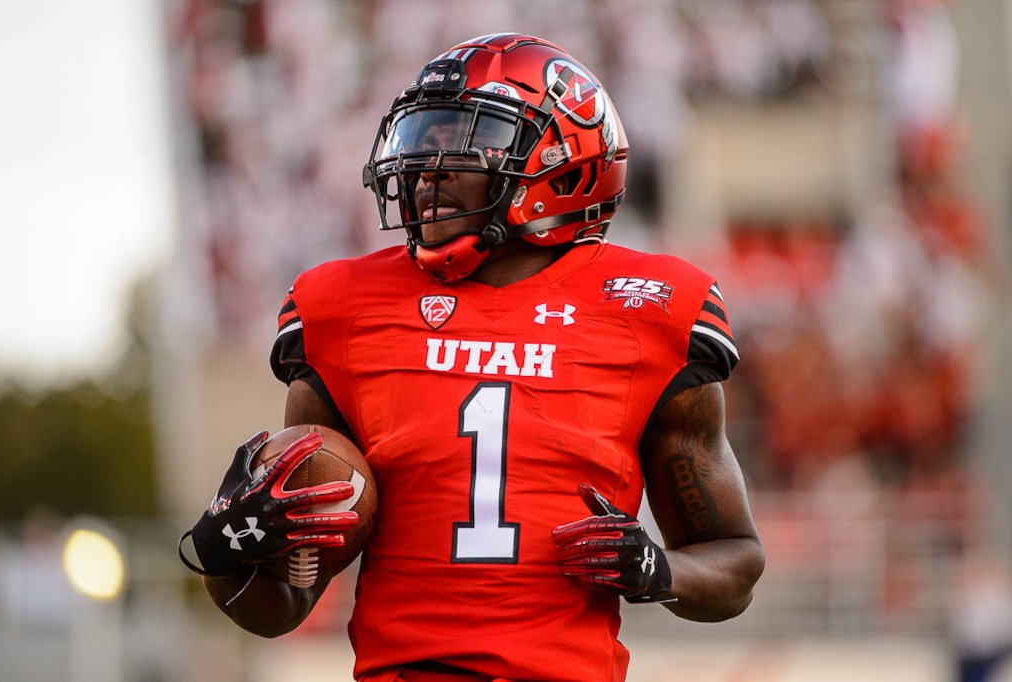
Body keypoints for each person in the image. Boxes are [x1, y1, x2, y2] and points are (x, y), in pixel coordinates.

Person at [180, 32, 765, 682]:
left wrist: (659, 570)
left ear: (560, 159)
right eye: (421, 142)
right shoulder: (342, 308)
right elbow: (280, 608)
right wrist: (226, 548)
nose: (426, 168)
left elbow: (735, 562)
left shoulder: (650, 308)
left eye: (462, 141)